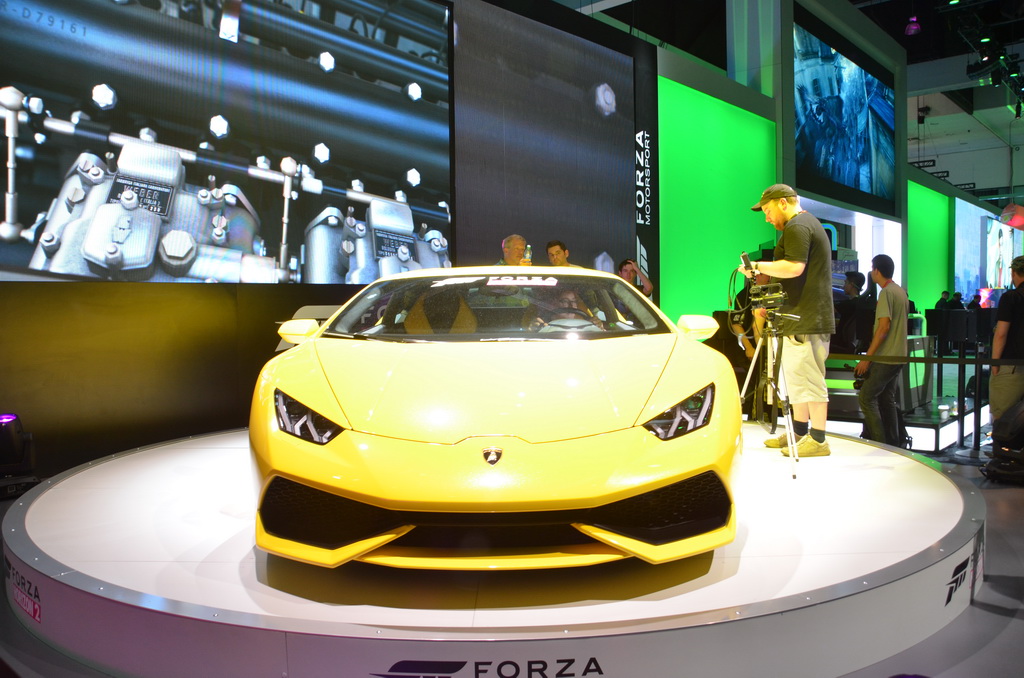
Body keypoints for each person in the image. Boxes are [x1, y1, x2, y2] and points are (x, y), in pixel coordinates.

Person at [740, 183, 835, 457]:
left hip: (807, 317)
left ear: (783, 203)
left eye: (768, 211)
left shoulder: (798, 226)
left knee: (810, 379)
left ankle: (818, 440)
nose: (767, 218)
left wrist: (757, 265)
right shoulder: (802, 225)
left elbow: (794, 267)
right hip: (798, 316)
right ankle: (800, 433)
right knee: (797, 380)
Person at [853, 254, 909, 446]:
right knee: (887, 399)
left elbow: (883, 327)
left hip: (886, 357)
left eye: (872, 268)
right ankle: (893, 443)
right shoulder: (900, 292)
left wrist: (867, 359)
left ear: (877, 271)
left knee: (866, 398)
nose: (871, 272)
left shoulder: (886, 293)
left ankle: (880, 443)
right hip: (898, 355)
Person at [989, 255, 1024, 425]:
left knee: (1003, 417)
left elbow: (1001, 333)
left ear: (1014, 273)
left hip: (1012, 364)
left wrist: (995, 362)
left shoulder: (1011, 297)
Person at [832, 270, 866, 354]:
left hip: (839, 343)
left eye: (845, 283)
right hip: (847, 343)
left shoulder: (850, 304)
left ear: (851, 285)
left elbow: (828, 311)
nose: (843, 286)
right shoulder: (859, 303)